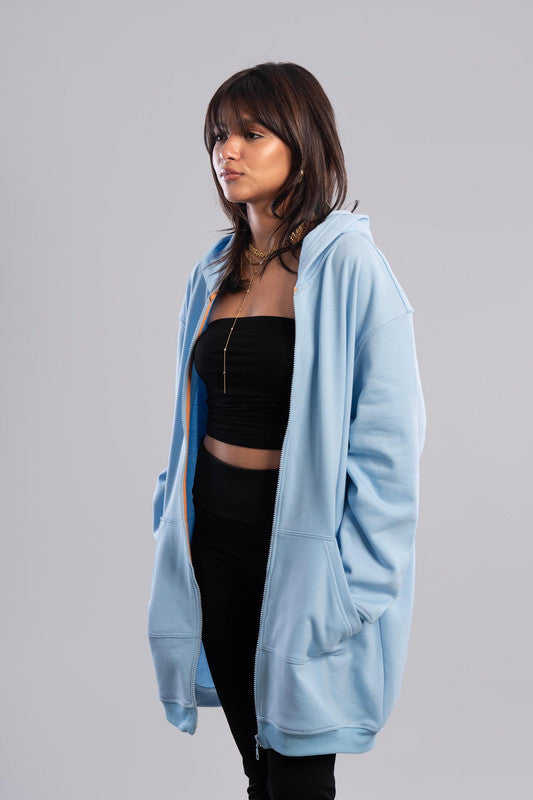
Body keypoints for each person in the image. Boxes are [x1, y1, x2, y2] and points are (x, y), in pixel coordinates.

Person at [147, 62, 426, 800]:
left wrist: (356, 583)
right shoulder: (216, 270)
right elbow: (190, 415)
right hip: (215, 541)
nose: (227, 151)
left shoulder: (349, 266)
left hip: (303, 554)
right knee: (258, 766)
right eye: (218, 135)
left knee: (300, 775)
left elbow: (390, 442)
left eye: (251, 133)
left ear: (301, 144)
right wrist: (169, 511)